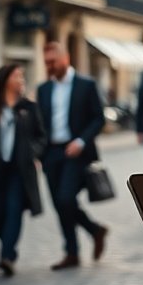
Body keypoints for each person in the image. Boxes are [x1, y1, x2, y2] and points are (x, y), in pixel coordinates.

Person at [38, 41, 108, 270]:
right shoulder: (44, 89)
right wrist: (39, 152)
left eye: (53, 61)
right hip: (51, 153)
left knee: (66, 199)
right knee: (59, 204)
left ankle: (89, 234)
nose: (49, 66)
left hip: (77, 152)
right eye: (46, 62)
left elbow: (98, 118)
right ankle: (75, 249)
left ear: (65, 59)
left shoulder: (85, 85)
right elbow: (40, 123)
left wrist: (81, 141)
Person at [0, 64, 46, 276]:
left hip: (19, 170)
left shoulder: (29, 107)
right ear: (5, 80)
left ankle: (5, 256)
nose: (21, 79)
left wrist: (34, 153)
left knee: (14, 210)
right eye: (17, 76)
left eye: (22, 76)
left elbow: (41, 136)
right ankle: (9, 249)